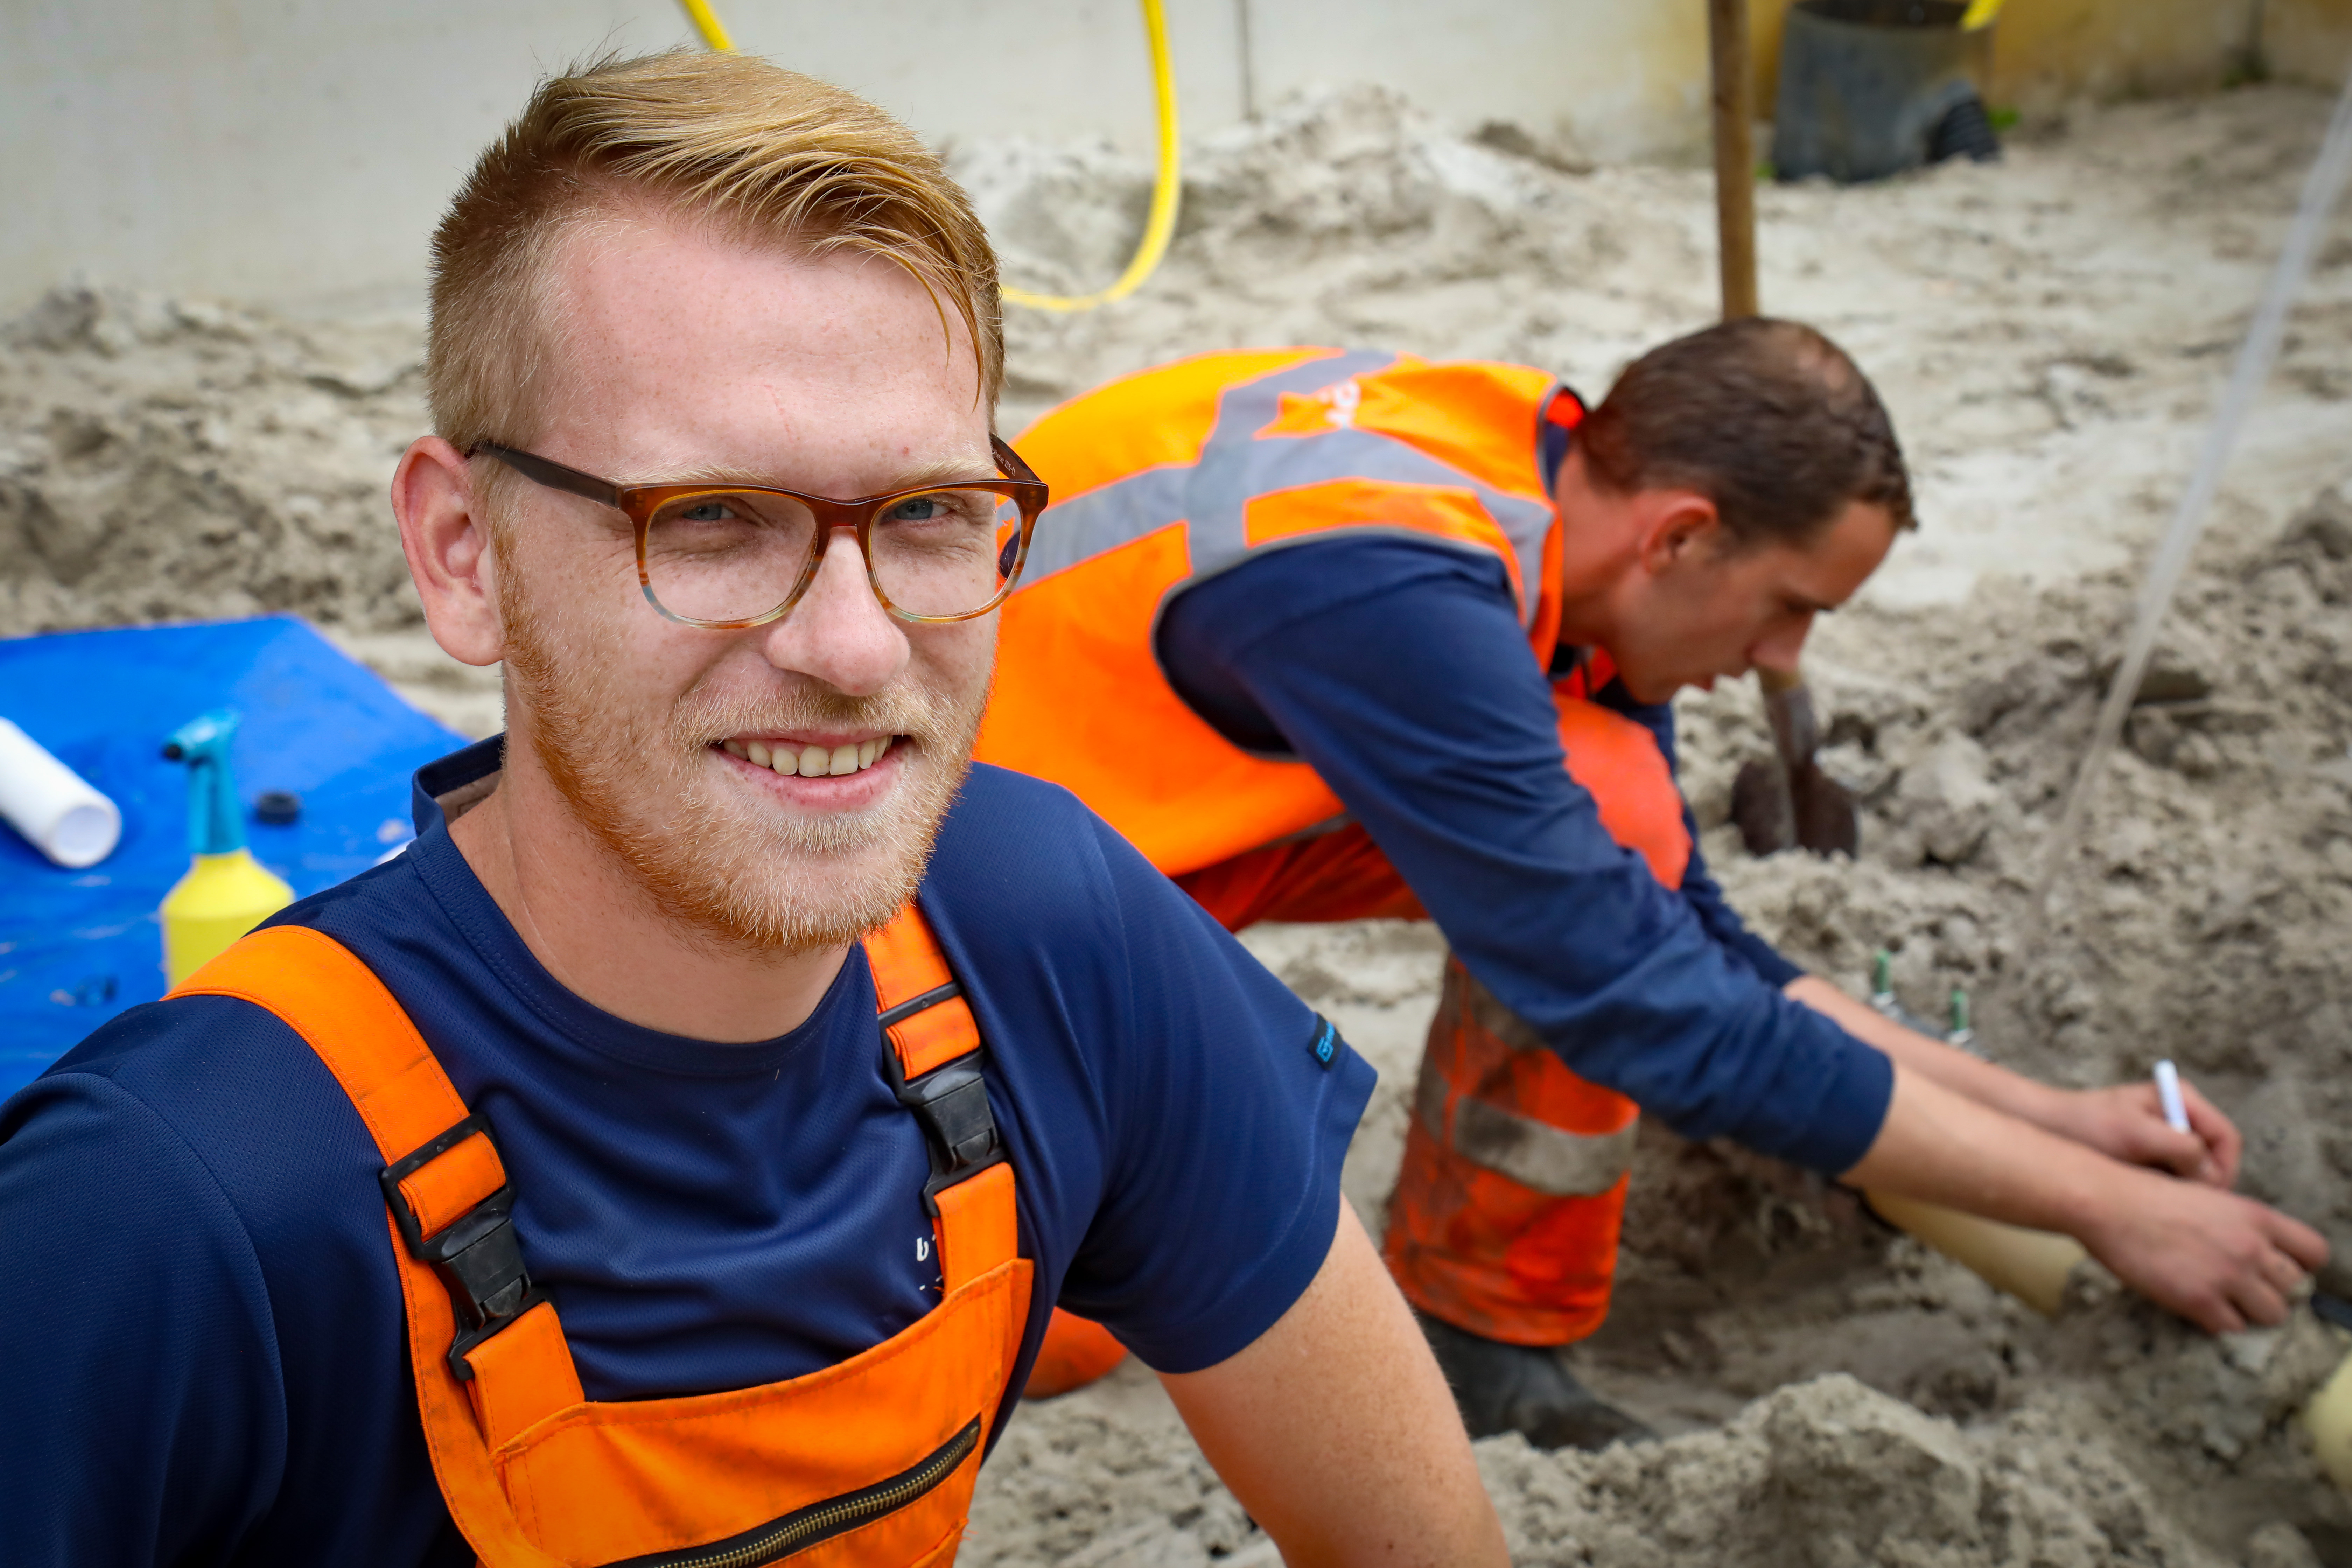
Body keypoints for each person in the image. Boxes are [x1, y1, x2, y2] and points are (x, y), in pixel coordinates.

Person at [0, 52, 1509, 1566]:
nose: (854, 648)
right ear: (464, 552)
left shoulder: (1054, 945)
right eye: (710, 519)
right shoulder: (172, 1209)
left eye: (924, 512)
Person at [976, 330, 2332, 1447]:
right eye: (1790, 606)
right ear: (1683, 536)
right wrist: (2112, 1212)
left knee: (1607, 835)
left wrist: (2058, 1122)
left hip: (1113, 837)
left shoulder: (1560, 503)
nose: (1778, 660)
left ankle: (1482, 1333)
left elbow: (1684, 943)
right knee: (1066, 1333)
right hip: (924, 896)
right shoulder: (1395, 585)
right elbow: (1653, 1012)